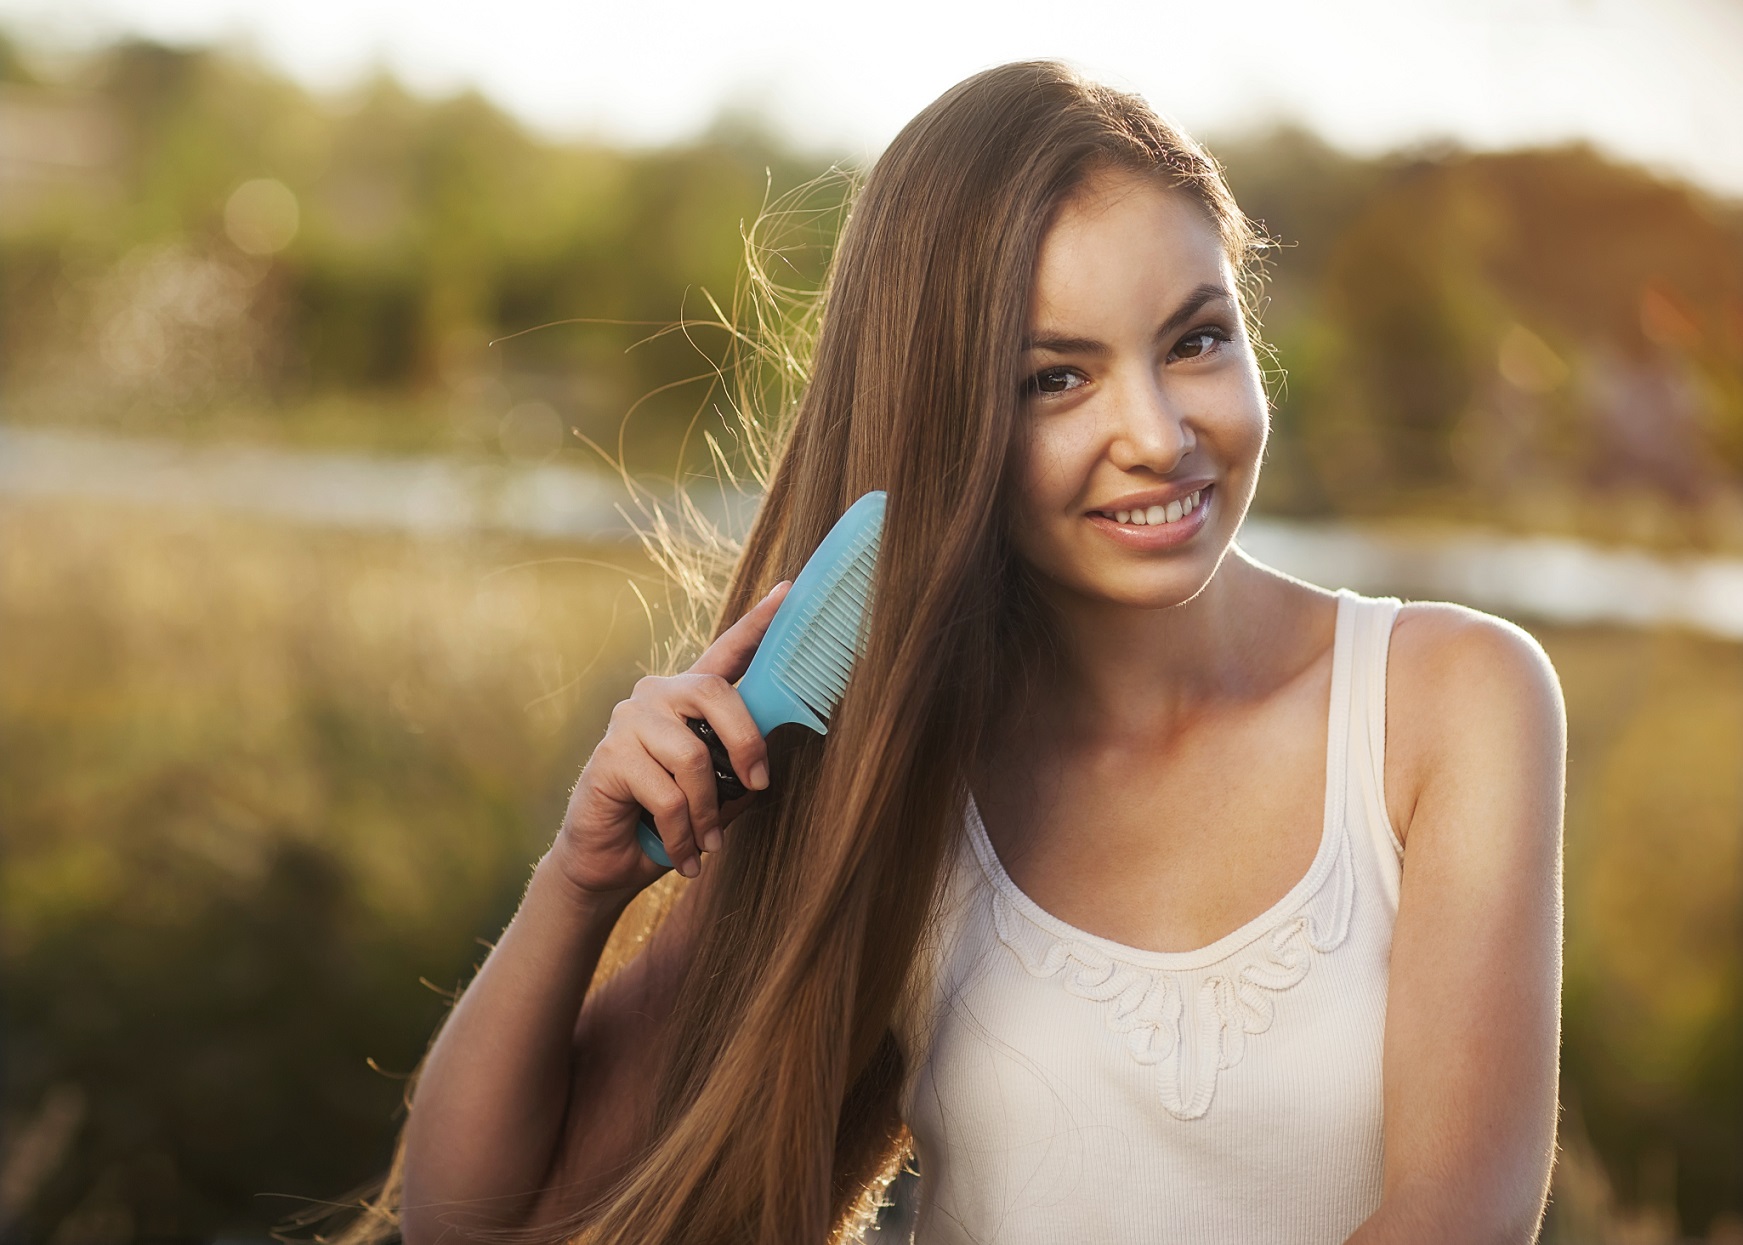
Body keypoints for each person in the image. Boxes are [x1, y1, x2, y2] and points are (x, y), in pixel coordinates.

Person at [372, 60, 1566, 1245]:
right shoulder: (883, 762)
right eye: (1055, 379)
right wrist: (579, 888)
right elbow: (476, 1220)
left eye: (1196, 341)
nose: (1156, 434)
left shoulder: (1453, 705)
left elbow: (1459, 1216)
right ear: (943, 420)